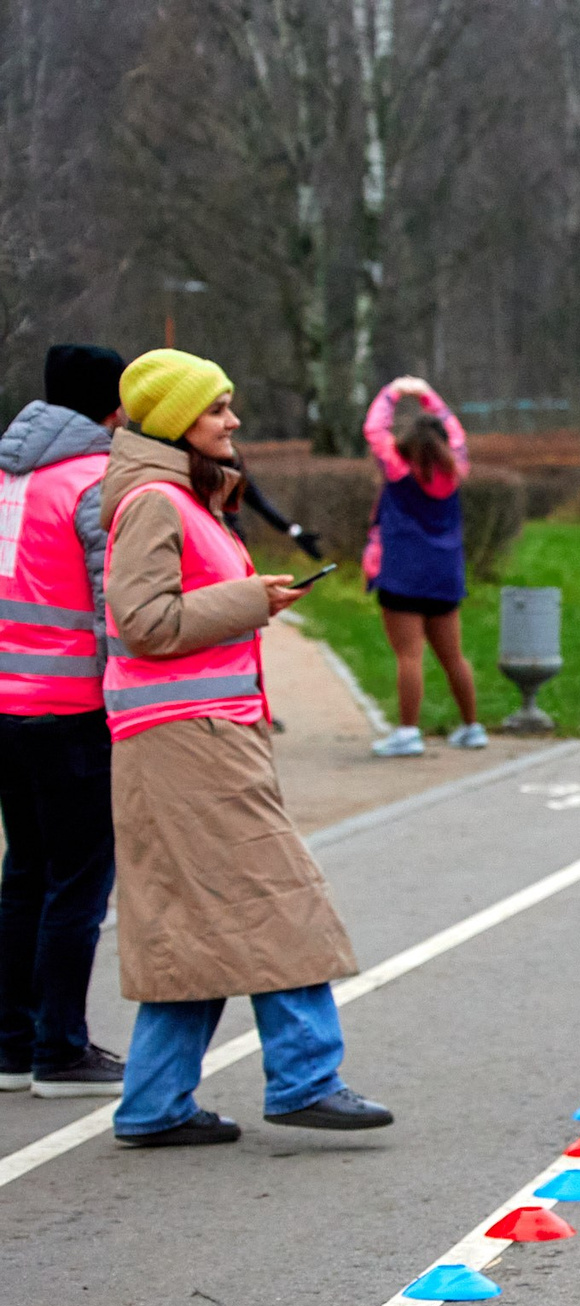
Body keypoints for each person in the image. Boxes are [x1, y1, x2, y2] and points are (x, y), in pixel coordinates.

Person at [99, 349, 395, 1147]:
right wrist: (247, 600)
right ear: (173, 423)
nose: (233, 421)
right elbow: (145, 621)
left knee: (195, 923)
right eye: (217, 408)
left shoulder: (177, 497)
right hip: (186, 742)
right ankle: (306, 1077)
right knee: (279, 899)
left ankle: (154, 1105)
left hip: (194, 736)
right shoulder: (156, 502)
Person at [0, 344, 129, 1098]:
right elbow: (110, 603)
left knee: (23, 872)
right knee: (78, 881)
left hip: (6, 704)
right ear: (112, 409)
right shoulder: (93, 482)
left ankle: (11, 1043)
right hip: (70, 705)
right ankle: (62, 1046)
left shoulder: (9, 475)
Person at [361, 375, 483, 756]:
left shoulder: (398, 470)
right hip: (445, 575)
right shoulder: (455, 471)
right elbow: (456, 432)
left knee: (408, 656)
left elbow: (374, 429)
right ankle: (472, 727)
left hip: (402, 574)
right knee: (453, 656)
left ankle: (408, 733)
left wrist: (393, 391)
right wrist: (430, 396)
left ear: (408, 445)